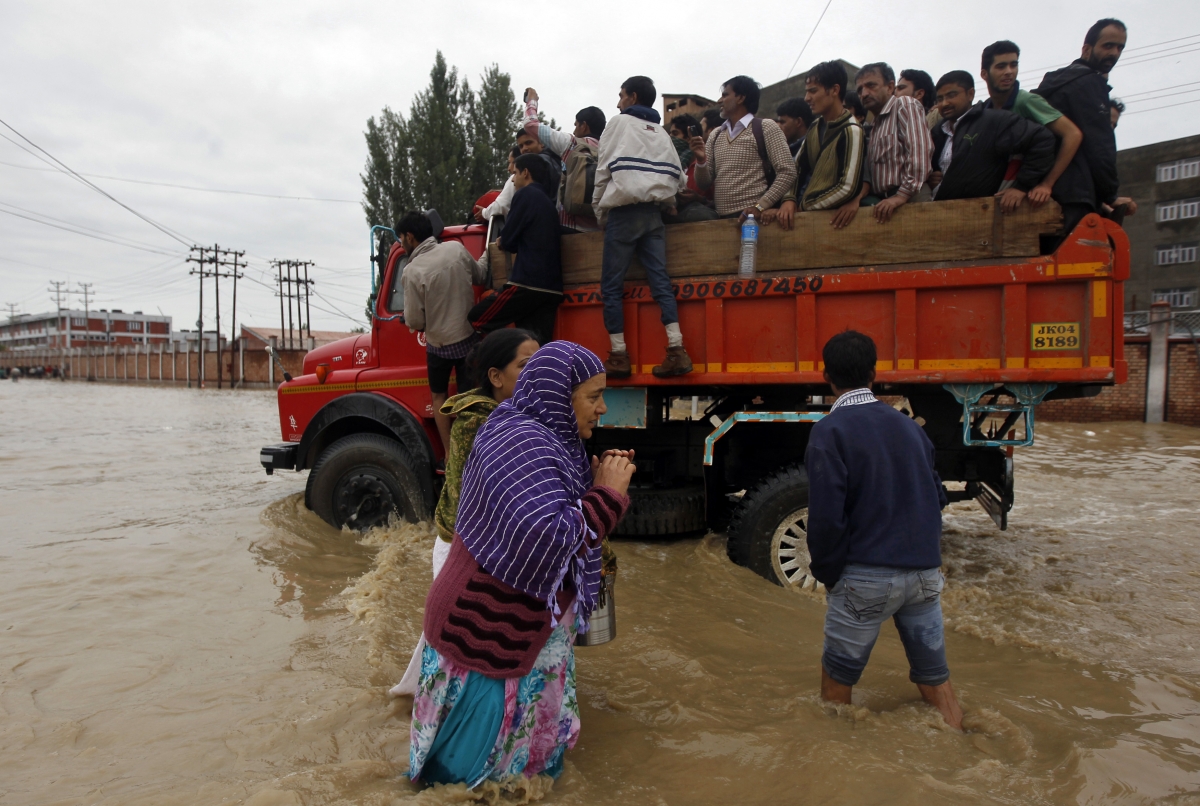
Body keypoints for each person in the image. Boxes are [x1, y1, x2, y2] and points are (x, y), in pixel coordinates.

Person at [408, 341, 636, 786]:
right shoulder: (520, 441)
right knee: (464, 784)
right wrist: (607, 496)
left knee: (519, 774)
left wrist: (594, 487)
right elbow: (545, 537)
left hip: (517, 631)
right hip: (485, 634)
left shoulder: (551, 439)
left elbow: (557, 517)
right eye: (593, 396)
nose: (603, 408)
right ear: (559, 396)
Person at [805, 330, 963, 730]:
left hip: (865, 579)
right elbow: (937, 497)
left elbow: (826, 518)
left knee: (837, 686)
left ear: (827, 376)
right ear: (874, 374)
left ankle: (835, 757)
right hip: (924, 576)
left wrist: (828, 574)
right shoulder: (911, 429)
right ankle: (960, 738)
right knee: (935, 679)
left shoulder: (829, 431)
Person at [390, 329, 540, 698]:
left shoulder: (526, 417)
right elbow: (466, 503)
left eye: (540, 362)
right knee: (455, 638)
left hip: (494, 550)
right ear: (496, 376)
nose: (536, 371)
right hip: (463, 547)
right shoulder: (475, 425)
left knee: (473, 640)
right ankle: (434, 706)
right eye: (525, 365)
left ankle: (433, 698)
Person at [592, 75, 692, 379]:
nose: (618, 102)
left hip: (623, 215)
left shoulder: (619, 123)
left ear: (632, 97)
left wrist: (599, 211)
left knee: (612, 287)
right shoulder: (661, 132)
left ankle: (618, 357)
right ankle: (676, 349)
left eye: (621, 95)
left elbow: (603, 169)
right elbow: (681, 178)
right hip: (653, 215)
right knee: (660, 281)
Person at [398, 210, 488, 452]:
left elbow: (415, 321)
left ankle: (449, 453)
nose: (401, 244)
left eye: (401, 239)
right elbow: (480, 275)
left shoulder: (412, 271)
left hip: (438, 348)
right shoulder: (456, 249)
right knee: (468, 400)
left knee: (439, 397)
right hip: (468, 340)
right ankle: (473, 450)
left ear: (409, 237)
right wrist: (489, 252)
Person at [1034, 18, 1127, 237]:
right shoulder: (1089, 83)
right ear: (1086, 49)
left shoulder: (1055, 83)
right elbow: (1100, 146)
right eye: (1108, 46)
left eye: (1120, 47)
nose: (1114, 53)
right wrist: (1111, 195)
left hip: (1042, 193)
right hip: (1074, 195)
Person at [469, 154, 564, 346]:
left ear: (525, 173)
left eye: (515, 173)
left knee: (477, 317)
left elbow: (509, 240)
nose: (512, 180)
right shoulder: (549, 203)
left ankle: (496, 356)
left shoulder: (525, 195)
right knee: (535, 345)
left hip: (527, 283)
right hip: (552, 289)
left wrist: (503, 240)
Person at [929, 70, 1056, 209]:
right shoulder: (938, 131)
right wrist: (932, 178)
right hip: (942, 211)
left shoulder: (994, 121)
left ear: (970, 94)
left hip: (983, 211)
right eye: (939, 99)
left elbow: (1042, 140)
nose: (944, 103)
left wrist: (1022, 187)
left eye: (951, 95)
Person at [980, 40, 1083, 209]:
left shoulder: (1026, 101)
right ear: (984, 74)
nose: (1009, 72)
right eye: (1001, 66)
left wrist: (1046, 184)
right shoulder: (985, 110)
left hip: (1029, 196)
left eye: (1013, 65)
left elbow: (1073, 134)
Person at [769, 60, 866, 231]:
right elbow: (796, 168)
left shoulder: (852, 130)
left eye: (813, 91)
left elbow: (847, 188)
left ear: (834, 90)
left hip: (834, 223)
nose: (807, 98)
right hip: (809, 220)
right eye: (807, 92)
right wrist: (789, 199)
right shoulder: (815, 127)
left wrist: (802, 207)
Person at [690, 75, 798, 220]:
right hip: (722, 220)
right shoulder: (716, 135)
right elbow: (703, 184)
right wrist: (701, 160)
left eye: (725, 95)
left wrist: (760, 206)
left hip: (755, 220)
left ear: (740, 98)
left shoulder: (766, 127)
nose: (719, 101)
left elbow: (787, 172)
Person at [855, 62, 934, 223]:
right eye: (860, 90)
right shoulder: (874, 125)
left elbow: (920, 153)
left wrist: (901, 196)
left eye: (871, 86)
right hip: (885, 204)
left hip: (911, 199)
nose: (864, 93)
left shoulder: (905, 105)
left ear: (890, 87)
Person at [522, 89, 606, 232]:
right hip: (599, 229)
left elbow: (530, 125)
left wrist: (532, 101)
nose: (574, 131)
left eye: (576, 125)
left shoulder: (571, 143)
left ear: (584, 126)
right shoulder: (608, 150)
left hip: (569, 226)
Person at [666, 114, 718, 223]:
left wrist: (698, 198)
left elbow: (718, 201)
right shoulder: (674, 165)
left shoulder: (708, 163)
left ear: (689, 137)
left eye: (675, 134)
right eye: (670, 134)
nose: (670, 138)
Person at [476, 145, 522, 224]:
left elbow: (501, 206)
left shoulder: (515, 178)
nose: (509, 168)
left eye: (511, 162)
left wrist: (484, 213)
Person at [515, 127, 563, 199]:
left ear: (542, 143)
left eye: (528, 143)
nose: (524, 148)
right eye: (521, 146)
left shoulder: (541, 162)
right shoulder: (554, 158)